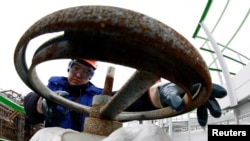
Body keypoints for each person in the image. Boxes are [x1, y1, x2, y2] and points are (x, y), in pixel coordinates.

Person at [24, 59, 227, 132]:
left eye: (86, 72)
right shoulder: (50, 89)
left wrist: (160, 94)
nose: (78, 75)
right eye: (76, 68)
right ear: (68, 67)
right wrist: (42, 103)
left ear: (92, 75)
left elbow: (129, 101)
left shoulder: (97, 96)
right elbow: (30, 105)